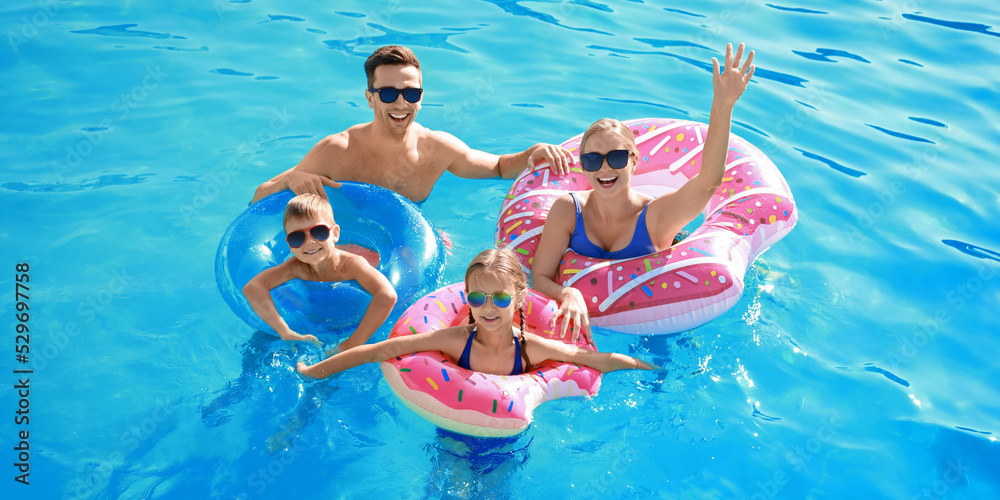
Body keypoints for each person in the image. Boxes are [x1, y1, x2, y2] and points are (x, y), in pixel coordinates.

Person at [531, 43, 757, 342]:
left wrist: (723, 104)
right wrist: (567, 292)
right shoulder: (567, 210)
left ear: (634, 160)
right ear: (583, 167)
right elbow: (541, 278)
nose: (604, 169)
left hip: (660, 328)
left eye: (616, 157)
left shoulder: (656, 216)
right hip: (590, 330)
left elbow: (708, 182)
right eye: (592, 160)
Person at [251, 45, 573, 205]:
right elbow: (259, 197)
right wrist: (290, 180)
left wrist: (532, 152)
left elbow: (500, 167)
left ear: (421, 97)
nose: (401, 104)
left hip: (406, 247)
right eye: (388, 93)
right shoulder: (337, 151)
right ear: (370, 98)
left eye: (411, 93)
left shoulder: (438, 147)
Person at [296, 248, 653, 379]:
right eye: (478, 297)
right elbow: (381, 350)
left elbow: (589, 358)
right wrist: (316, 371)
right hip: (452, 425)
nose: (488, 308)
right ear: (467, 298)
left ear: (519, 298)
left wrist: (647, 367)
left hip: (508, 436)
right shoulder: (454, 341)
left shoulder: (531, 349)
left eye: (500, 298)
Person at [242, 193, 397, 351]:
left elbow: (387, 295)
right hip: (311, 325)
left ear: (335, 234)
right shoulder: (296, 267)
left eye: (319, 231)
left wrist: (352, 344)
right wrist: (285, 332)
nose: (309, 241)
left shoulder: (352, 265)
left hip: (352, 325)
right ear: (290, 245)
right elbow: (253, 287)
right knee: (255, 345)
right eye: (297, 237)